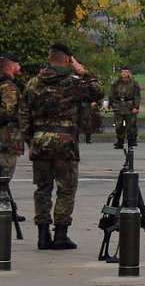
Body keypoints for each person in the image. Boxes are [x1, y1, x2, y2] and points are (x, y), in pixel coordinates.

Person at [19, 43, 104, 250]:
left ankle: (42, 234)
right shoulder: (72, 83)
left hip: (40, 141)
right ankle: (61, 234)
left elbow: (23, 115)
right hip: (65, 142)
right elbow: (98, 91)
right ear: (66, 60)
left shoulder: (32, 84)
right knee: (66, 189)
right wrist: (83, 71)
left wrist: (33, 139)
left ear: (49, 59)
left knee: (42, 189)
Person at [0, 54, 26, 222]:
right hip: (7, 139)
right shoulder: (8, 87)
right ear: (10, 66)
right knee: (4, 176)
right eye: (18, 64)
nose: (20, 68)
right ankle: (4, 209)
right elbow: (8, 112)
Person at [108, 66, 140, 149]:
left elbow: (137, 96)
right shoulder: (116, 83)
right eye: (123, 72)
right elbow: (112, 94)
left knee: (131, 125)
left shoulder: (134, 83)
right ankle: (120, 141)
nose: (124, 74)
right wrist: (110, 105)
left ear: (129, 73)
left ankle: (132, 141)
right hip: (119, 105)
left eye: (126, 72)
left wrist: (136, 107)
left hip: (130, 105)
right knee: (119, 125)